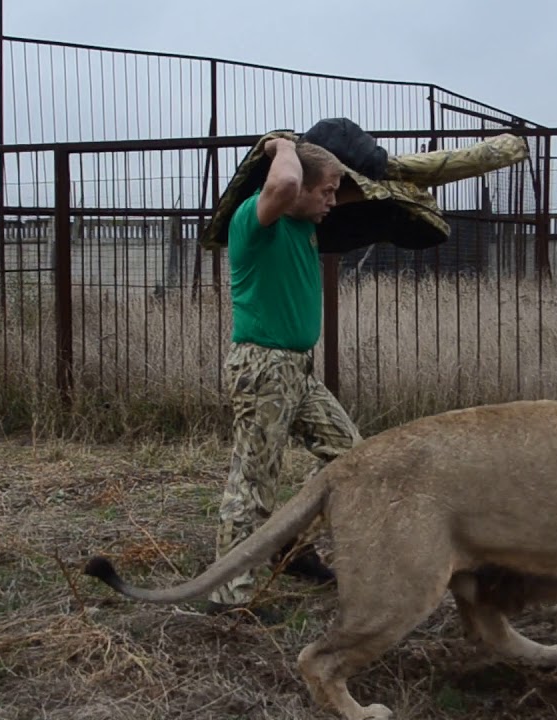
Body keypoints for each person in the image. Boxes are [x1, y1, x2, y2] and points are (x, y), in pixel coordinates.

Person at [207, 137, 363, 615]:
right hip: (263, 368)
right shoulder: (257, 221)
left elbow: (337, 190)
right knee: (252, 484)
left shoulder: (303, 221)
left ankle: (289, 543)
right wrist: (282, 145)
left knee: (353, 458)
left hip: (298, 370)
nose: (332, 202)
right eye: (327, 192)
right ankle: (229, 595)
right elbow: (290, 178)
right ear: (296, 190)